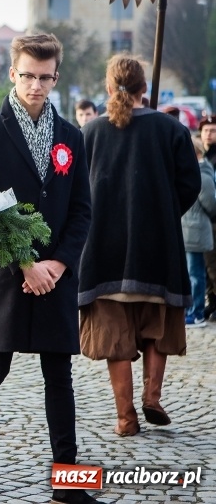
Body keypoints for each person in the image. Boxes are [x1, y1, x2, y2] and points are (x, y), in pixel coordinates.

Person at [0, 34, 97, 504]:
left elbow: (81, 209)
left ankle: (67, 477)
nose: (36, 85)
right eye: (27, 75)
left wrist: (57, 263)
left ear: (55, 77)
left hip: (56, 274)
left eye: (44, 77)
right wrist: (25, 264)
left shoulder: (72, 136)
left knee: (59, 374)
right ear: (12, 73)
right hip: (7, 271)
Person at [78, 54, 199, 440]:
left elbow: (76, 191)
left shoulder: (90, 132)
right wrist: (164, 212)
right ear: (145, 88)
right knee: (155, 328)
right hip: (157, 248)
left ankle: (126, 417)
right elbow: (189, 185)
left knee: (115, 338)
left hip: (105, 250)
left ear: (108, 88)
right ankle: (152, 396)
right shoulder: (172, 130)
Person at [181, 137, 216, 328]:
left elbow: (211, 204)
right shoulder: (195, 172)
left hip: (197, 232)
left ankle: (197, 313)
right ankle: (192, 310)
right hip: (189, 233)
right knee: (191, 274)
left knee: (196, 275)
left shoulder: (202, 175)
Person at [198, 115, 216, 320]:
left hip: (213, 216)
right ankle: (211, 300)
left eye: (213, 130)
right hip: (202, 217)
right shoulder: (199, 155)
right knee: (203, 266)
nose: (209, 134)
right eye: (206, 131)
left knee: (212, 266)